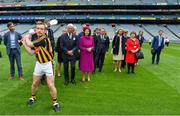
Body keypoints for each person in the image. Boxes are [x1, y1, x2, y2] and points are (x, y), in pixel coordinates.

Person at [22, 21, 60, 112]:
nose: (39, 30)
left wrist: (26, 37)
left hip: (48, 64)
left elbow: (30, 44)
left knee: (50, 85)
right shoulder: (37, 39)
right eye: (38, 28)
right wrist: (23, 43)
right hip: (39, 63)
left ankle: (55, 103)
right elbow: (31, 52)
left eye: (41, 29)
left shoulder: (43, 38)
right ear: (35, 29)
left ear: (45, 31)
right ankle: (33, 97)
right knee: (35, 83)